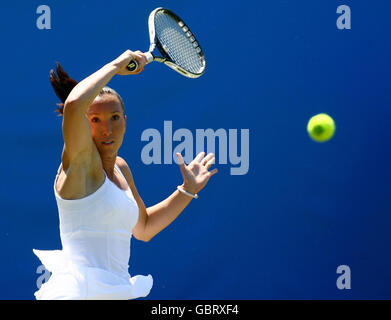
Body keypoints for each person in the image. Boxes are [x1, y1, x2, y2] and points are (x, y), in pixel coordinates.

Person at [33, 50, 218, 300]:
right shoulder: (80, 165)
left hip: (116, 292)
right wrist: (116, 65)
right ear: (82, 126)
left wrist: (187, 190)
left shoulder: (121, 168)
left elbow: (144, 228)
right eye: (95, 119)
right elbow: (75, 105)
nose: (106, 129)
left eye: (115, 117)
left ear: (125, 122)